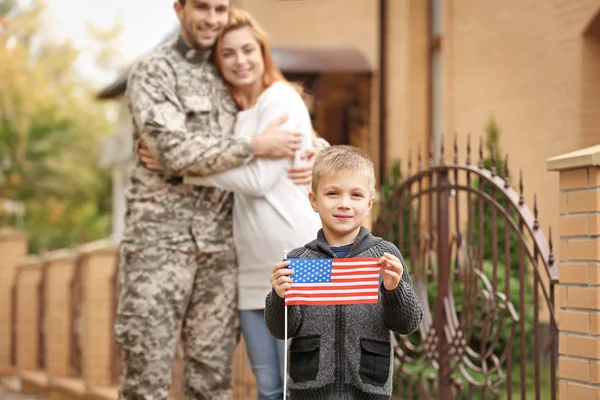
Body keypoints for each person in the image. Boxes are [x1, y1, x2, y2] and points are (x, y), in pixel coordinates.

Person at [114, 1, 326, 399]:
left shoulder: (228, 74)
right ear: (179, 9)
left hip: (221, 252)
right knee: (147, 374)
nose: (212, 18)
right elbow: (172, 150)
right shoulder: (154, 71)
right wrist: (253, 146)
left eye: (220, 8)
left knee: (211, 380)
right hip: (159, 246)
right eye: (201, 7)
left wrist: (314, 148)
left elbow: (271, 124)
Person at [266, 145, 424, 399]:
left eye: (356, 195)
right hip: (309, 387)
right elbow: (280, 329)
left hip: (368, 384)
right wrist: (279, 295)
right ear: (314, 200)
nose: (344, 204)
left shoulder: (384, 256)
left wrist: (394, 290)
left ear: (369, 203)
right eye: (333, 193)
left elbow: (408, 323)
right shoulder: (300, 260)